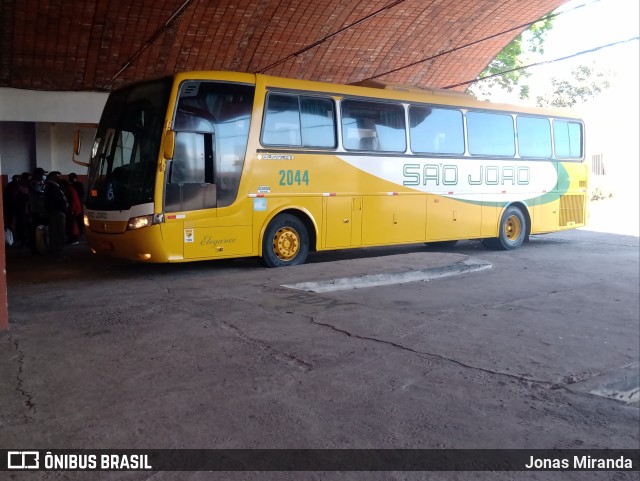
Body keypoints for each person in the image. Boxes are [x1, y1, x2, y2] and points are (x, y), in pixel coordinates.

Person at [43, 171, 68, 258]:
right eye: (57, 176)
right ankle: (56, 253)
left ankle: (57, 252)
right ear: (51, 177)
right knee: (57, 232)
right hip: (56, 212)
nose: (59, 178)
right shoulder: (51, 187)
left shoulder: (55, 186)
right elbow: (53, 201)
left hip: (57, 212)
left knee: (57, 232)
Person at [58, 178, 82, 244]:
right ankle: (73, 238)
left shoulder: (68, 190)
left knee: (72, 225)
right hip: (75, 208)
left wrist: (71, 210)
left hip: (73, 209)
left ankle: (73, 238)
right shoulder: (70, 188)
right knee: (72, 224)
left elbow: (72, 201)